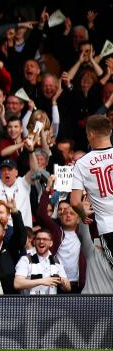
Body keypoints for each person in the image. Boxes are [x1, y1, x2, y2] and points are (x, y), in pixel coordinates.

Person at [71, 115, 113, 272]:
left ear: (90, 134)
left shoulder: (82, 163)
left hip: (108, 227)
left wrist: (83, 215)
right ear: (110, 131)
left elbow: (75, 202)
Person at [14, 229, 71, 295]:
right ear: (34, 242)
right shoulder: (26, 259)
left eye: (45, 239)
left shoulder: (55, 261)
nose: (41, 241)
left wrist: (64, 282)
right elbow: (17, 284)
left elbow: (68, 288)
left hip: (50, 304)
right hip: (30, 304)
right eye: (38, 239)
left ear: (51, 243)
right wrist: (42, 281)